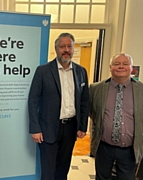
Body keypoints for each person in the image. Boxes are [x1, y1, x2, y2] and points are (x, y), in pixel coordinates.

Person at [28, 32, 89, 180]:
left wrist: (82, 126)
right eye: (62, 46)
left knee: (63, 169)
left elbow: (84, 100)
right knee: (48, 172)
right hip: (48, 128)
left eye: (69, 46)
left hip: (70, 128)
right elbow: (33, 100)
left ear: (74, 48)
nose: (66, 50)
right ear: (56, 49)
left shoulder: (81, 72)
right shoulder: (43, 71)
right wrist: (35, 128)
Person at [89, 53, 143, 180]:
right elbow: (93, 112)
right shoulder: (96, 89)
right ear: (110, 67)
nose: (121, 67)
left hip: (129, 149)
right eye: (116, 64)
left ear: (131, 68)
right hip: (103, 147)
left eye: (125, 64)